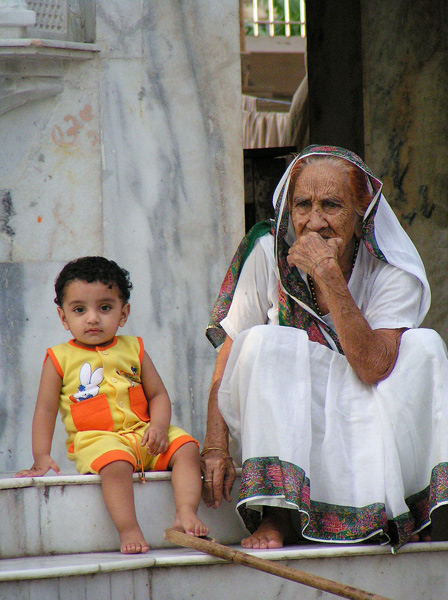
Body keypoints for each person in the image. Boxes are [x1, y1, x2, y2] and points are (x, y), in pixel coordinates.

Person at [200, 145, 448, 552]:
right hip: (302, 407)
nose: (314, 222)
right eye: (303, 205)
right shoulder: (268, 251)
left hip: (369, 400)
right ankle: (280, 513)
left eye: (331, 205)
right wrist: (215, 445)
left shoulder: (390, 266)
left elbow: (373, 366)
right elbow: (229, 352)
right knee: (264, 341)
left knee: (425, 346)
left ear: (360, 211)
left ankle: (414, 511)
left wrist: (328, 275)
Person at [16, 256, 208, 553]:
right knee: (115, 464)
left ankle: (185, 511)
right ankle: (129, 529)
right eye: (79, 310)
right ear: (63, 318)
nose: (93, 318)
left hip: (145, 435)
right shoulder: (58, 358)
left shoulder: (135, 348)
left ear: (123, 313)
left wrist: (158, 426)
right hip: (98, 441)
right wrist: (41, 455)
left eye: (105, 307)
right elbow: (45, 409)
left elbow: (158, 395)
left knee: (187, 448)